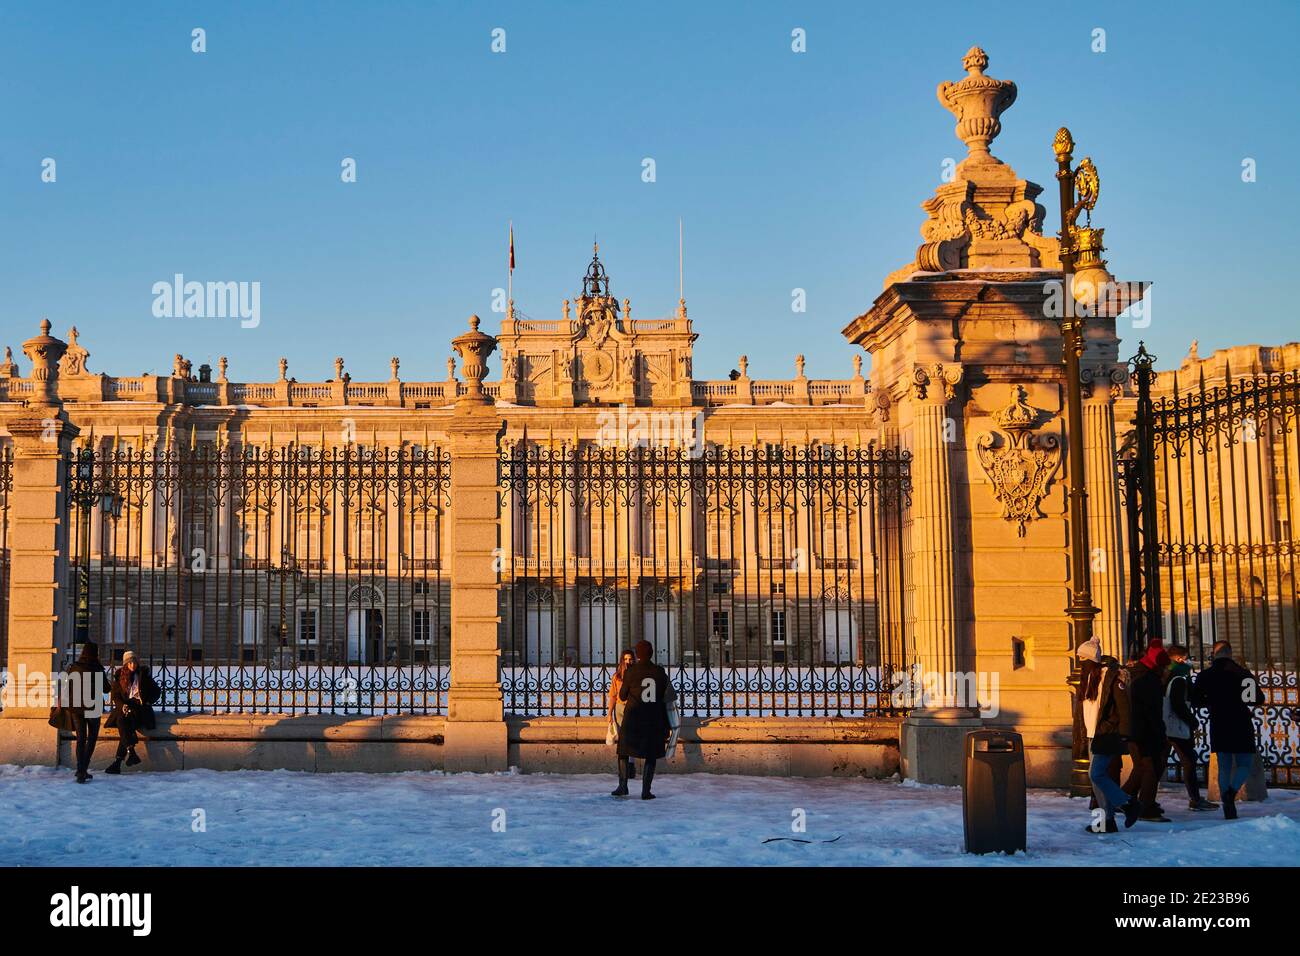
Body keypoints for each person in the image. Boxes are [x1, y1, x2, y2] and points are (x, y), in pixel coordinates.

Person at [1191, 641, 1260, 820]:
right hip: (1241, 722)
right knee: (1245, 763)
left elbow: (1196, 700)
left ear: (1214, 654)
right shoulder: (1242, 673)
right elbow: (1257, 698)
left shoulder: (1206, 675)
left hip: (1219, 722)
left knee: (1224, 766)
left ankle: (1226, 803)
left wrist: (1213, 701)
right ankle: (1232, 792)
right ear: (1230, 653)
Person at [1082, 644, 1141, 832]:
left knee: (1096, 774)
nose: (1080, 662)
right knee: (1097, 779)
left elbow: (1123, 707)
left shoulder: (1112, 678)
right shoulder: (1090, 678)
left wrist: (1124, 733)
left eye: (1084, 659)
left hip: (1107, 733)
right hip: (1093, 733)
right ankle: (1106, 822)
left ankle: (1127, 803)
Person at [615, 640, 673, 799]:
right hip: (654, 718)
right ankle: (646, 791)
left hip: (633, 718)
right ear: (651, 653)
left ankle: (622, 786)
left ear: (638, 655)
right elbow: (666, 695)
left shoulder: (631, 672)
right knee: (651, 755)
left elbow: (622, 695)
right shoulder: (659, 671)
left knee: (623, 752)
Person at [1163, 644, 1217, 811]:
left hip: (1166, 725)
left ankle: (1134, 798)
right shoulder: (1179, 677)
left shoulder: (1168, 673)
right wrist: (1191, 720)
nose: (1189, 661)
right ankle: (1195, 799)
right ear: (1179, 659)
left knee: (1158, 763)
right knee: (1189, 761)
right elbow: (1178, 703)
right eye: (1187, 657)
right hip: (1177, 726)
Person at [1123, 641, 1171, 822]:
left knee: (1142, 768)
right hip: (1145, 732)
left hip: (1133, 731)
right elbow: (1153, 712)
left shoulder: (1135, 674)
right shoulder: (1149, 681)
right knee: (1151, 768)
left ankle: (1123, 799)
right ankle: (1145, 807)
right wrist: (1161, 734)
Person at [50, 642, 108, 783]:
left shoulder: (74, 667)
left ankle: (79, 769)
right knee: (92, 739)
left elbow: (67, 687)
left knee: (81, 739)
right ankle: (83, 770)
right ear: (95, 653)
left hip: (76, 708)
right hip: (93, 708)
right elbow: (106, 689)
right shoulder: (98, 668)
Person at [104, 650, 161, 774]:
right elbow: (115, 696)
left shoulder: (143, 675)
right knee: (124, 723)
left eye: (134, 662)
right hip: (124, 707)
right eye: (130, 663)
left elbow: (157, 691)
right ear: (125, 664)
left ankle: (121, 760)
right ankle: (127, 755)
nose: (133, 665)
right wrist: (122, 705)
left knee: (123, 724)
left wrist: (147, 702)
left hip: (139, 709)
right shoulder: (119, 676)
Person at [606, 650, 636, 783]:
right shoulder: (617, 676)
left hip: (633, 708)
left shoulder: (637, 674)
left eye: (630, 659)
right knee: (623, 738)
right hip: (619, 708)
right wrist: (609, 714)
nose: (628, 661)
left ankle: (631, 764)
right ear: (622, 661)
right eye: (626, 659)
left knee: (632, 737)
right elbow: (612, 696)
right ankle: (624, 769)